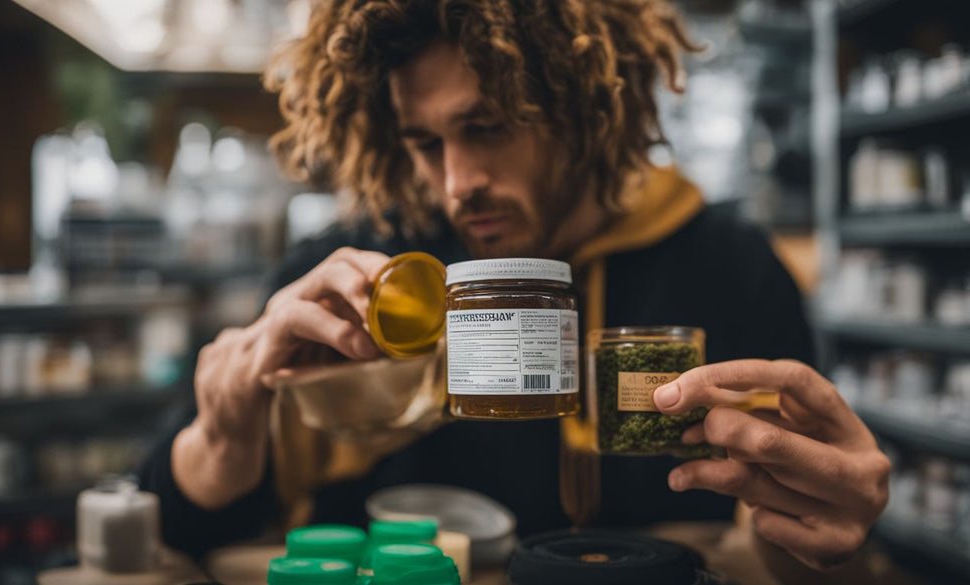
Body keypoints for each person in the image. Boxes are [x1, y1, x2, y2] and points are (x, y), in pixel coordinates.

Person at [139, 0, 890, 577]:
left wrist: (819, 529)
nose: (458, 183)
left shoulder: (726, 263)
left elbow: (799, 542)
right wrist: (220, 440)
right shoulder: (359, 271)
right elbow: (168, 532)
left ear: (586, 106)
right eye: (425, 142)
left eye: (489, 125)